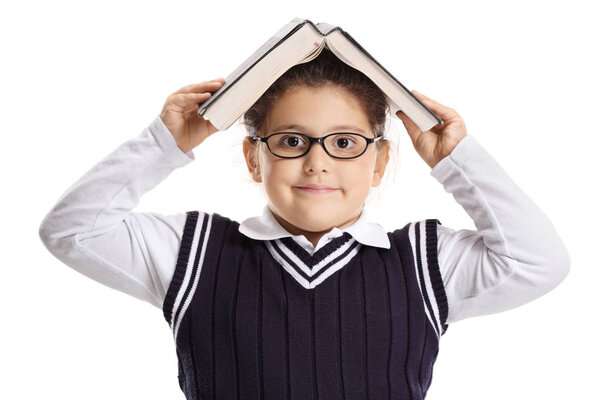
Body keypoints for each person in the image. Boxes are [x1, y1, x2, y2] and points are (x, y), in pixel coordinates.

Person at [39, 47, 570, 400]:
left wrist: (455, 158)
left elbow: (538, 261)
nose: (317, 162)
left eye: (345, 143)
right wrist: (165, 142)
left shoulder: (425, 262)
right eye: (292, 141)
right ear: (254, 158)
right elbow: (71, 231)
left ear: (380, 162)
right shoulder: (194, 252)